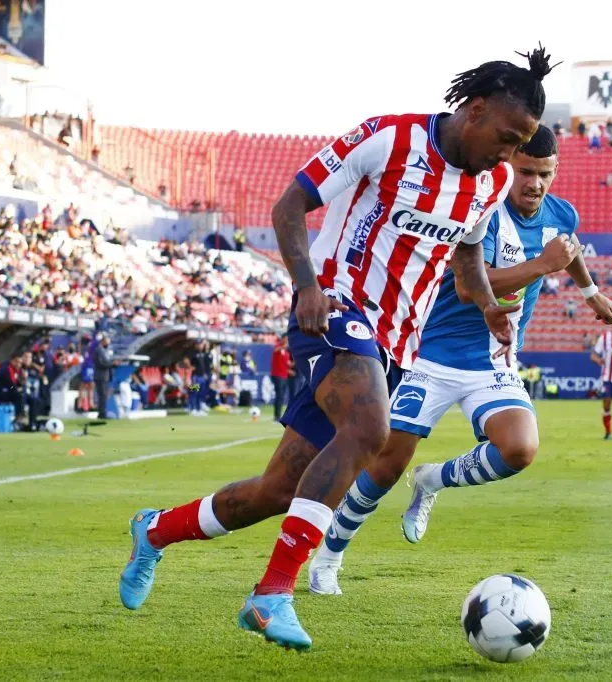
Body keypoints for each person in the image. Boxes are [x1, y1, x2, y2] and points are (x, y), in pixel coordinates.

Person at [118, 45, 559, 650]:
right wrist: (305, 285)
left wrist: (487, 306)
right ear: (474, 109)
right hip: (335, 308)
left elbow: (467, 254)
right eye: (506, 138)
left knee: (278, 490)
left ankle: (156, 531)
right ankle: (272, 594)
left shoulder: (493, 181)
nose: (509, 155)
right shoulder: (387, 139)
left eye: (520, 144)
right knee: (372, 430)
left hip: (395, 343)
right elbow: (290, 204)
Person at [306, 126, 612, 595]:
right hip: (429, 355)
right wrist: (542, 266)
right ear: (509, 166)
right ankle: (328, 558)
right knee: (386, 463)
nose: (536, 184)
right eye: (528, 173)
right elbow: (468, 286)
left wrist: (590, 292)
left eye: (546, 175)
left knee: (519, 450)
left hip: (493, 363)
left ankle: (433, 480)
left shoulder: (560, 213)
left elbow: (566, 248)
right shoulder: (483, 208)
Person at [93, 332, 115, 419]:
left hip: (105, 376)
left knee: (104, 395)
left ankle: (103, 412)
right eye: (107, 339)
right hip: (100, 376)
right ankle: (102, 414)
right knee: (102, 395)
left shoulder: (104, 350)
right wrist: (112, 364)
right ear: (102, 341)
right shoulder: (98, 350)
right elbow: (100, 363)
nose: (108, 341)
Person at [270, 336, 291, 421]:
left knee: (282, 396)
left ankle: (279, 415)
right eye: (286, 338)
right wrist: (284, 345)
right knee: (279, 396)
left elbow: (288, 364)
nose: (287, 340)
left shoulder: (286, 352)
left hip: (285, 375)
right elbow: (276, 350)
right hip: (277, 375)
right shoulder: (278, 346)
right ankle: (276, 416)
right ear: (282, 338)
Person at [78, 334, 95, 413]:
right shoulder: (86, 348)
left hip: (88, 367)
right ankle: (82, 405)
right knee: (85, 386)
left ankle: (87, 404)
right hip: (87, 367)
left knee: (88, 386)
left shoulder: (84, 348)